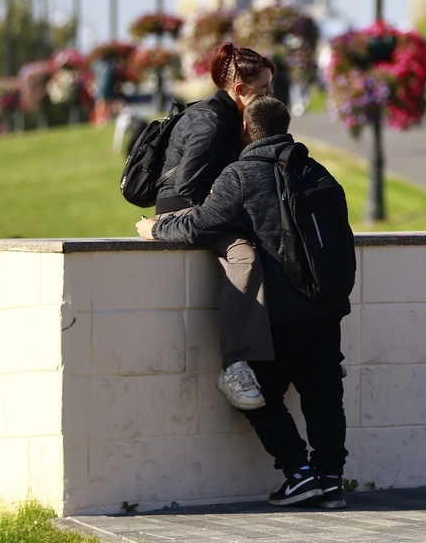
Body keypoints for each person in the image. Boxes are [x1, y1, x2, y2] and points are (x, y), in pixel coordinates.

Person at [137, 97, 350, 509]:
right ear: (285, 127)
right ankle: (331, 481)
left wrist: (157, 227)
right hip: (327, 305)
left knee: (253, 392)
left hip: (281, 312)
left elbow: (200, 224)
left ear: (248, 131)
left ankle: (298, 472)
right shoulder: (316, 171)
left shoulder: (241, 175)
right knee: (323, 395)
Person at [155, 41, 275, 411]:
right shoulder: (210, 121)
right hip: (183, 211)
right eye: (265, 89)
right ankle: (236, 366)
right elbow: (187, 187)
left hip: (212, 207)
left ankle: (293, 351)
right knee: (245, 257)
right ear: (241, 90)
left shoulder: (228, 118)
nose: (270, 95)